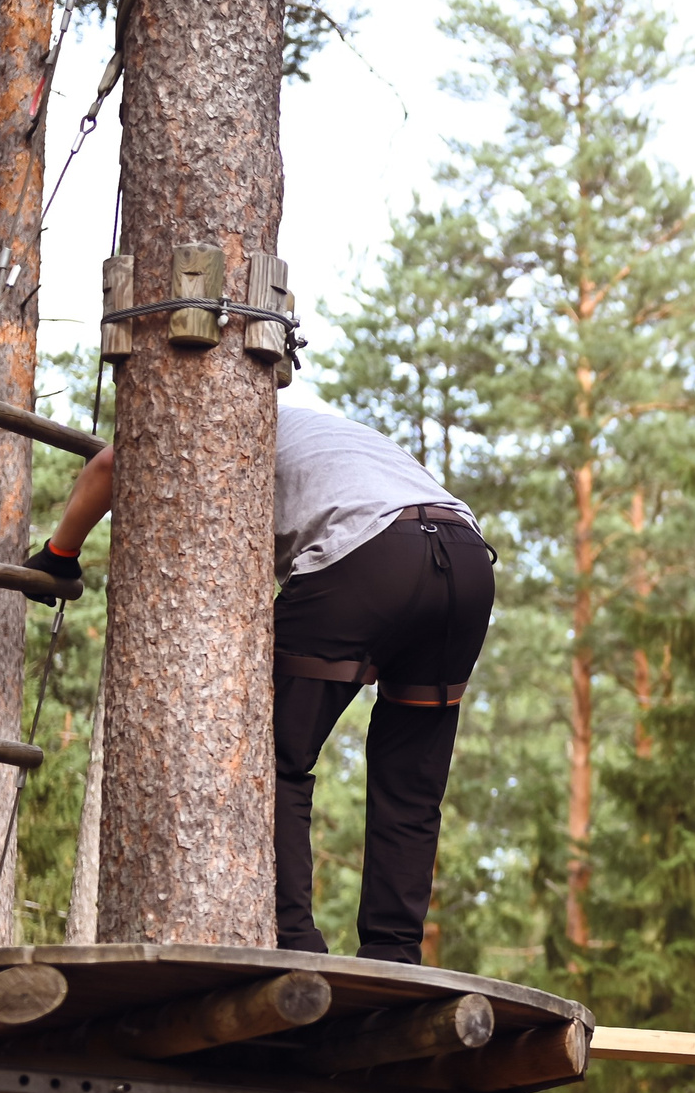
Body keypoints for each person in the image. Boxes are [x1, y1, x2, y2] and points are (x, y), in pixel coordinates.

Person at [28, 405, 494, 964]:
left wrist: (61, 553)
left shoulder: (214, 415)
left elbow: (108, 466)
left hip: (369, 558)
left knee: (269, 755)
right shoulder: (329, 433)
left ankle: (293, 941)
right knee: (411, 786)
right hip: (466, 562)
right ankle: (394, 953)